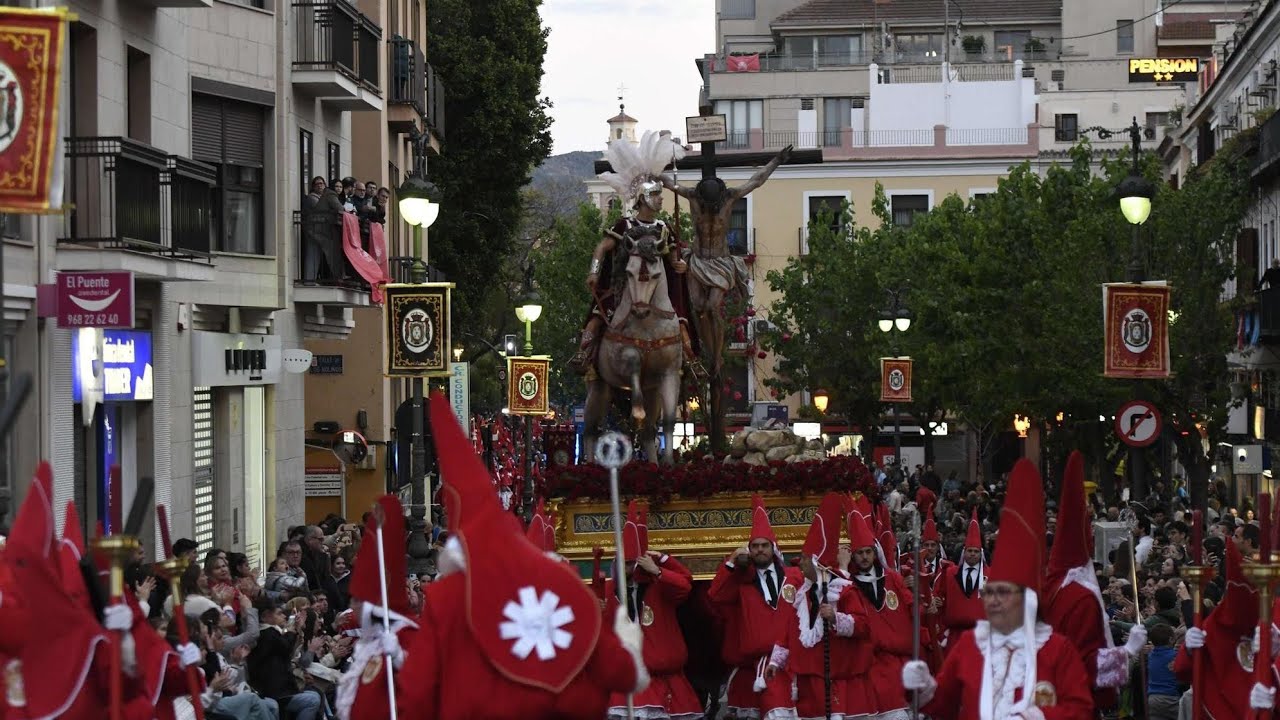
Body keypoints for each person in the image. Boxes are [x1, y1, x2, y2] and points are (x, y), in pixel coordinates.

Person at [395, 394, 649, 719]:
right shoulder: (560, 581)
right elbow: (620, 672)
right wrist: (629, 645)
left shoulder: (447, 600)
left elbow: (416, 697)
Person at [901, 459, 1095, 720]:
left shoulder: (1057, 650)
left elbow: (1081, 710)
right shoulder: (971, 645)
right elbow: (943, 706)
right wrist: (922, 687)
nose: (992, 600)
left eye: (1002, 592)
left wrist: (1037, 717)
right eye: (990, 592)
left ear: (1025, 599)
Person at [570, 130, 706, 381]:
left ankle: (690, 359)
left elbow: (674, 257)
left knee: (680, 321)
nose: (661, 199)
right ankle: (584, 352)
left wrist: (680, 265)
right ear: (643, 198)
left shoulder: (664, 227)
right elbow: (601, 248)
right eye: (655, 195)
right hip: (625, 284)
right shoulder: (625, 225)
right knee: (599, 316)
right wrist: (594, 271)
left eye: (660, 194)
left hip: (658, 286)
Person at [661, 143, 790, 374]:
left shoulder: (730, 197)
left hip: (721, 263)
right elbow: (668, 182)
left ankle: (717, 357)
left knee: (712, 307)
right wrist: (650, 168)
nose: (710, 209)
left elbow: (756, 180)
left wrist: (776, 161)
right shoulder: (692, 196)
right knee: (698, 308)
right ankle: (707, 351)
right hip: (698, 261)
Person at [1040, 452, 1145, 714]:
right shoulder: (1082, 598)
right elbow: (1084, 662)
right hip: (1074, 702)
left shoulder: (1050, 586)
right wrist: (1127, 651)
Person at [765, 493, 865, 719]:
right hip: (805, 680)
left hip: (831, 678)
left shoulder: (844, 591)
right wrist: (775, 662)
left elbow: (862, 625)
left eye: (804, 558)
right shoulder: (802, 594)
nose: (799, 563)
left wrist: (836, 618)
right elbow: (788, 633)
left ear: (817, 563)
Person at [602, 502, 701, 720]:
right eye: (623, 563)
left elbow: (685, 585)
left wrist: (660, 566)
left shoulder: (660, 585)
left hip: (665, 679)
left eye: (632, 563)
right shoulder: (609, 589)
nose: (627, 568)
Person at [707, 494, 802, 718]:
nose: (760, 550)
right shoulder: (741, 581)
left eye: (764, 545)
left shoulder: (794, 576)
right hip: (756, 664)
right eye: (755, 546)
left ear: (773, 547)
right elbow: (715, 596)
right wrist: (731, 562)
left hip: (793, 661)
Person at [336, 495, 420, 720]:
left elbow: (427, 678)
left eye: (357, 600)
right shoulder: (371, 640)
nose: (353, 606)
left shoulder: (406, 634)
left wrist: (400, 657)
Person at [840, 497, 914, 720]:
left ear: (874, 553)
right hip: (865, 662)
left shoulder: (892, 578)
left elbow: (911, 608)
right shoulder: (849, 583)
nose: (864, 557)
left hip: (896, 662)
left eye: (867, 552)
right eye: (859, 553)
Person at [934, 510, 986, 655]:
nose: (972, 554)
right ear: (964, 552)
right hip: (954, 636)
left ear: (981, 553)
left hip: (981, 638)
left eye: (976, 551)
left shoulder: (990, 575)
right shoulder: (950, 573)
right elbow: (940, 598)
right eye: (970, 551)